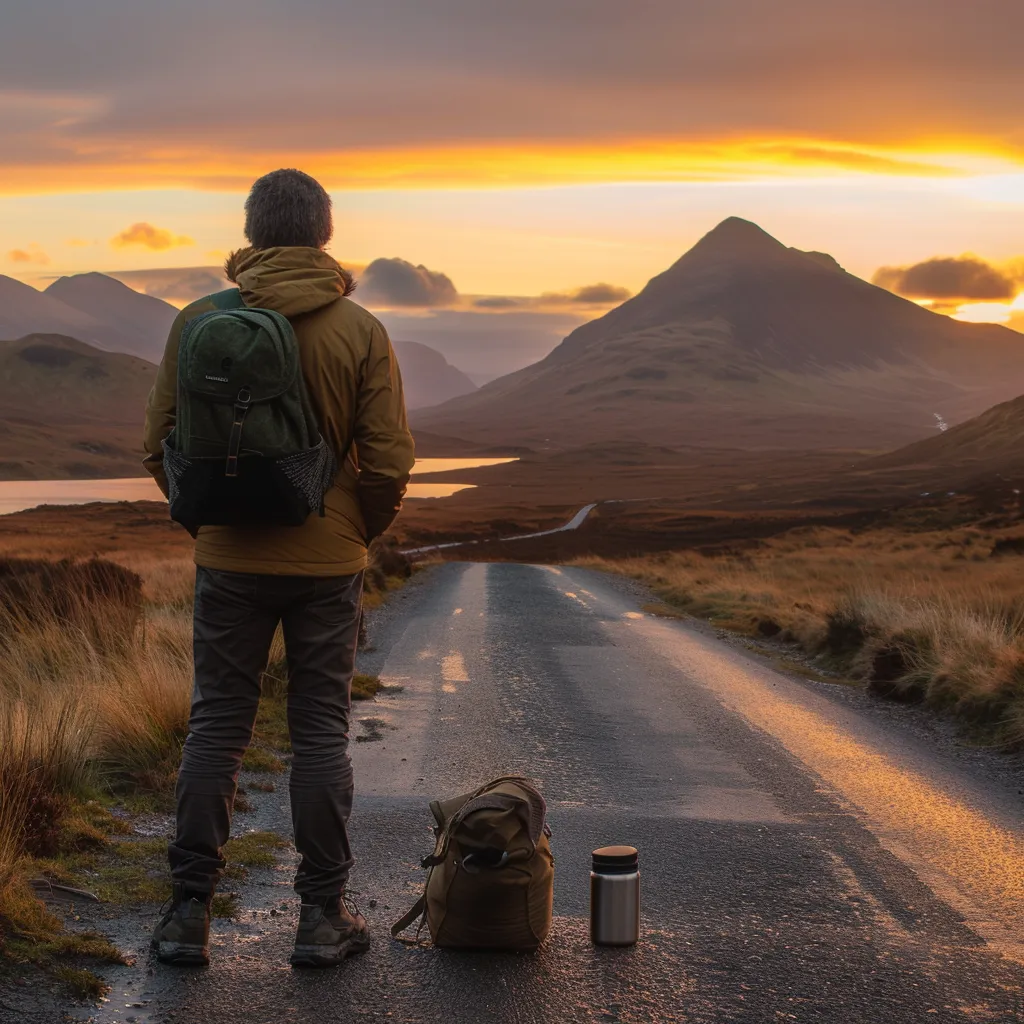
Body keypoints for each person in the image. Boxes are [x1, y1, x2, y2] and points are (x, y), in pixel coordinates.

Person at [143, 169, 415, 968]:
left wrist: (209, 514)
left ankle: (187, 914)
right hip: (328, 562)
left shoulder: (198, 321)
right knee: (320, 732)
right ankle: (322, 918)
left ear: (252, 232)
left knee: (217, 726)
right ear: (323, 232)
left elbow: (157, 444)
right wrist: (356, 529)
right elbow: (389, 461)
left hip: (228, 559)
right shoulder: (359, 330)